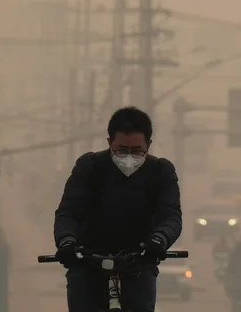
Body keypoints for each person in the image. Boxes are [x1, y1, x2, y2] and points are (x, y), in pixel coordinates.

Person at [54, 106, 182, 312]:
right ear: (109, 142)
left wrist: (159, 241)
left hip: (139, 262)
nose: (129, 157)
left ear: (148, 145)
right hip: (88, 262)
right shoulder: (89, 167)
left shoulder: (161, 172)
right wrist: (67, 242)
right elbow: (68, 212)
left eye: (137, 151)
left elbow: (171, 216)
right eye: (121, 150)